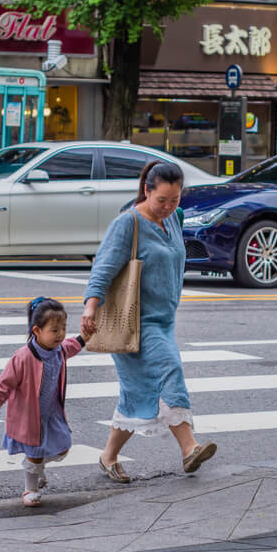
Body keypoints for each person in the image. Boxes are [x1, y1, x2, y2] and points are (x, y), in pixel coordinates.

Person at [82, 161, 217, 484]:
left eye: (175, 199)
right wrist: (90, 309)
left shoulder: (174, 219)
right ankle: (189, 449)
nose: (169, 207)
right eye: (162, 201)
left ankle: (108, 456)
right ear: (147, 190)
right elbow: (103, 269)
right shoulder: (127, 223)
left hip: (163, 320)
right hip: (136, 323)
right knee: (170, 369)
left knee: (139, 393)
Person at [0, 297, 89, 507]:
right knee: (36, 453)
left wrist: (84, 337)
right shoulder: (23, 357)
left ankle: (35, 467)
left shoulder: (60, 350)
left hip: (52, 412)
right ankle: (31, 488)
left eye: (63, 328)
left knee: (64, 447)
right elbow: (4, 383)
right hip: (30, 416)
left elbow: (72, 345)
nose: (61, 335)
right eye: (54, 330)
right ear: (37, 331)